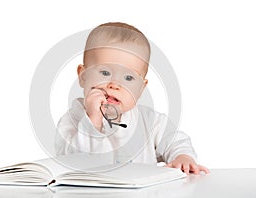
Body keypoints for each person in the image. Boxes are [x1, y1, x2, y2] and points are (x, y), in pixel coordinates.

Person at [54, 22, 209, 175]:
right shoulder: (72, 121)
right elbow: (74, 164)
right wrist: (93, 121)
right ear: (83, 76)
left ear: (141, 88)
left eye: (128, 77)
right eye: (105, 73)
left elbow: (176, 141)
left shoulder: (150, 121)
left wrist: (183, 157)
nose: (115, 85)